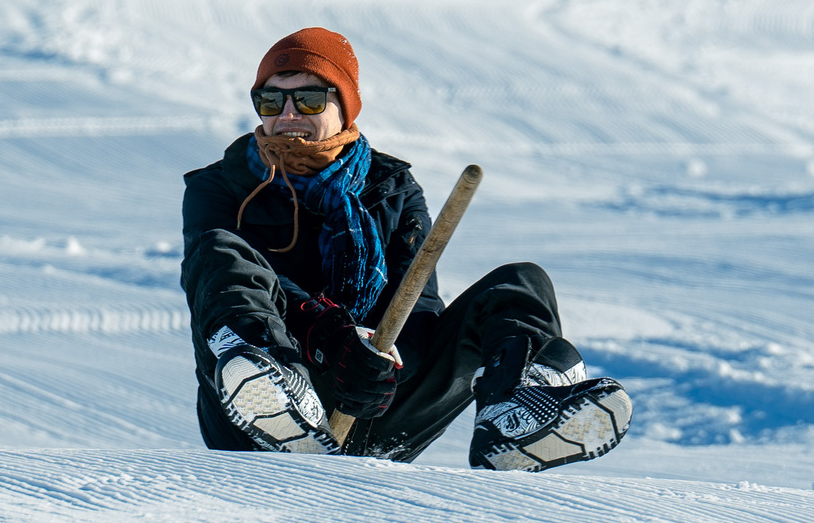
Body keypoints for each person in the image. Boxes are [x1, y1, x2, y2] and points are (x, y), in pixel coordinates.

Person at [180, 27, 631, 469]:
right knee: (221, 253)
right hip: (250, 419)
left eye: (310, 99)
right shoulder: (218, 187)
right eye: (271, 100)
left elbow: (420, 310)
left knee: (520, 285)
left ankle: (514, 415)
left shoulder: (391, 189)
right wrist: (332, 341)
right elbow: (240, 279)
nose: (288, 113)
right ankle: (272, 385)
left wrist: (377, 369)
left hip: (375, 412)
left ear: (345, 106)